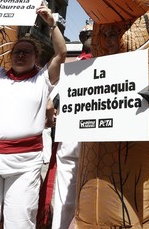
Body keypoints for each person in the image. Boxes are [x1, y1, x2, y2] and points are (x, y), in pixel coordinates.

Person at [0, 1, 66, 229]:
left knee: (20, 222)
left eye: (27, 52)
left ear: (36, 57)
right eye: (17, 51)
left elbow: (61, 53)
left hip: (25, 163)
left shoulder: (43, 79)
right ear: (10, 55)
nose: (20, 55)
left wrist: (52, 24)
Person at [48, 23, 92, 229]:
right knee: (66, 195)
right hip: (74, 139)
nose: (89, 37)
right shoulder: (71, 69)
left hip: (94, 139)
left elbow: (50, 103)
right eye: (86, 34)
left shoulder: (72, 69)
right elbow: (51, 103)